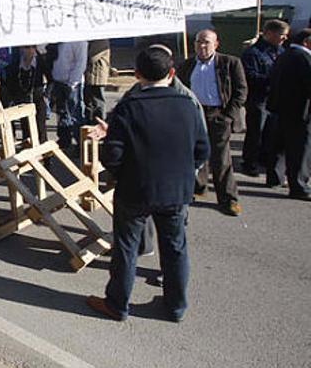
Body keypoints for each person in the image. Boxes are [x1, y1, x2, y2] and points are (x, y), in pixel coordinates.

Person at [85, 46, 209, 323]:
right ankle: (175, 306)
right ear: (172, 73)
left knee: (127, 248)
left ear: (137, 74)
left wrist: (124, 172)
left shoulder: (128, 107)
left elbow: (112, 155)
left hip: (135, 190)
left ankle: (117, 304)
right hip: (176, 191)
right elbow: (202, 150)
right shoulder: (188, 103)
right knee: (175, 248)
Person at [177, 29, 247, 216]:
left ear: (216, 44)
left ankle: (228, 198)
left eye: (206, 42)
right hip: (194, 114)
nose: (202, 46)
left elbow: (241, 91)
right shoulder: (187, 65)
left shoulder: (230, 63)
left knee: (221, 159)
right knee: (195, 154)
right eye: (199, 41)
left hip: (218, 114)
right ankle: (199, 188)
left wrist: (227, 116)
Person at [266, 28, 311, 200]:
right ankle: (299, 186)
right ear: (306, 41)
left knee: (280, 147)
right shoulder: (304, 58)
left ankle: (275, 177)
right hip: (300, 111)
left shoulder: (284, 55)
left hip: (280, 108)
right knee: (300, 150)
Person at [240, 19, 288, 176]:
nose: (284, 39)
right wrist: (273, 79)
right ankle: (249, 162)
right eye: (282, 35)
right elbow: (250, 76)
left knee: (271, 132)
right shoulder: (253, 53)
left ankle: (264, 159)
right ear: (269, 34)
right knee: (256, 132)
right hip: (258, 98)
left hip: (273, 98)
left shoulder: (280, 51)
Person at [3, 46, 48, 143]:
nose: (27, 51)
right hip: (23, 101)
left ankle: (44, 156)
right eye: (24, 48)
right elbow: (10, 81)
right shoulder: (16, 64)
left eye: (30, 48)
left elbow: (51, 79)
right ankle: (28, 153)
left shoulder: (39, 62)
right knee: (26, 130)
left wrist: (46, 94)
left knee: (40, 129)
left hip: (38, 100)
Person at [51, 41, 88, 150]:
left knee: (75, 113)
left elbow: (81, 62)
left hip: (72, 82)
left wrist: (72, 83)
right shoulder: (60, 38)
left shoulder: (80, 40)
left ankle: (80, 144)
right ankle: (64, 140)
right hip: (59, 79)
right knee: (62, 113)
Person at [84, 39, 111, 123]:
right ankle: (91, 119)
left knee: (98, 100)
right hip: (92, 75)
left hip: (97, 76)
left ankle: (100, 120)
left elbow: (92, 57)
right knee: (90, 100)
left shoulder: (100, 41)